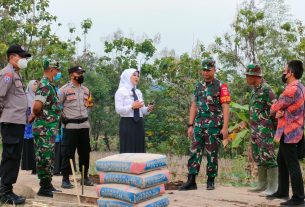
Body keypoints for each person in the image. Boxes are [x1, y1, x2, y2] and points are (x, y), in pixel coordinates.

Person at [179, 58, 230, 191]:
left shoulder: (221, 86)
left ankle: (210, 180)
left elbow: (225, 107)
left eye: (208, 70)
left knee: (212, 153)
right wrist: (190, 125)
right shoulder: (198, 86)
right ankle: (191, 180)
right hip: (198, 125)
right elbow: (194, 106)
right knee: (194, 152)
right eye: (204, 70)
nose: (206, 72)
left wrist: (225, 127)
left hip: (213, 126)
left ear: (214, 70)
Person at [268, 60, 305, 206]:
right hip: (291, 129)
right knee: (281, 161)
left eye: (285, 70)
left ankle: (298, 197)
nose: (283, 73)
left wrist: (277, 110)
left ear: (291, 73)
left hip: (289, 131)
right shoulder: (300, 87)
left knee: (292, 163)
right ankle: (282, 191)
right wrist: (282, 111)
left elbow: (276, 106)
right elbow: (286, 107)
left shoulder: (292, 89)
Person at [0, 44, 31, 204]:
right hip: (10, 122)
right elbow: (0, 97)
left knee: (12, 157)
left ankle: (5, 189)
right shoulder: (7, 74)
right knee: (11, 157)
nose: (24, 59)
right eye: (22, 56)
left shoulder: (16, 74)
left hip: (17, 122)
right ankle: (5, 193)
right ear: (12, 57)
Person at [245, 64, 278, 196]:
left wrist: (272, 128)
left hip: (265, 130)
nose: (246, 78)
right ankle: (262, 184)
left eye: (248, 75)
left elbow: (275, 110)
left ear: (255, 76)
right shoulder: (254, 90)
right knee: (258, 156)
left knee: (268, 156)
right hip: (254, 130)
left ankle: (273, 187)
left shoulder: (267, 90)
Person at [31, 59, 62, 197]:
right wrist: (41, 117)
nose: (58, 72)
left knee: (49, 156)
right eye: (57, 70)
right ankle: (44, 188)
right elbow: (36, 106)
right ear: (51, 70)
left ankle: (47, 184)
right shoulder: (44, 85)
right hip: (44, 128)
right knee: (44, 157)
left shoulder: (49, 85)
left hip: (48, 129)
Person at [58, 65, 94, 189]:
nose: (81, 76)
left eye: (82, 73)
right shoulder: (64, 90)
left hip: (84, 126)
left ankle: (85, 177)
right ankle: (65, 179)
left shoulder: (86, 90)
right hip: (70, 126)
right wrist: (62, 117)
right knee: (67, 153)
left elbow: (89, 105)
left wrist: (84, 115)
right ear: (72, 75)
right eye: (79, 73)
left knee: (85, 153)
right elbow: (57, 106)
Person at [115, 68, 154, 153]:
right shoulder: (120, 91)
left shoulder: (138, 92)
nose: (137, 77)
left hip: (139, 123)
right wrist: (132, 107)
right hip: (127, 123)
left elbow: (142, 111)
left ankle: (139, 166)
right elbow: (118, 110)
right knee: (128, 150)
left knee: (139, 150)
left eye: (138, 76)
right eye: (134, 75)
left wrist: (148, 109)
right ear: (127, 77)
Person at [21, 80, 38, 175]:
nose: (36, 86)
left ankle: (36, 167)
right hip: (28, 124)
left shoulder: (39, 96)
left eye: (37, 84)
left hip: (38, 123)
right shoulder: (25, 96)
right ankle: (30, 166)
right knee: (30, 145)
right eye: (34, 84)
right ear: (30, 85)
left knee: (37, 145)